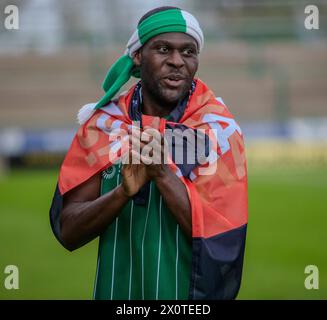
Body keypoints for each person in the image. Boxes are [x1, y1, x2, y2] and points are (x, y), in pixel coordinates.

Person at [50, 6, 248, 300]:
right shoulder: (105, 125)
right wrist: (122, 193)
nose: (177, 61)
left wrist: (161, 174)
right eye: (163, 49)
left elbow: (223, 239)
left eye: (188, 52)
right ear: (138, 56)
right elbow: (68, 231)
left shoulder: (218, 132)